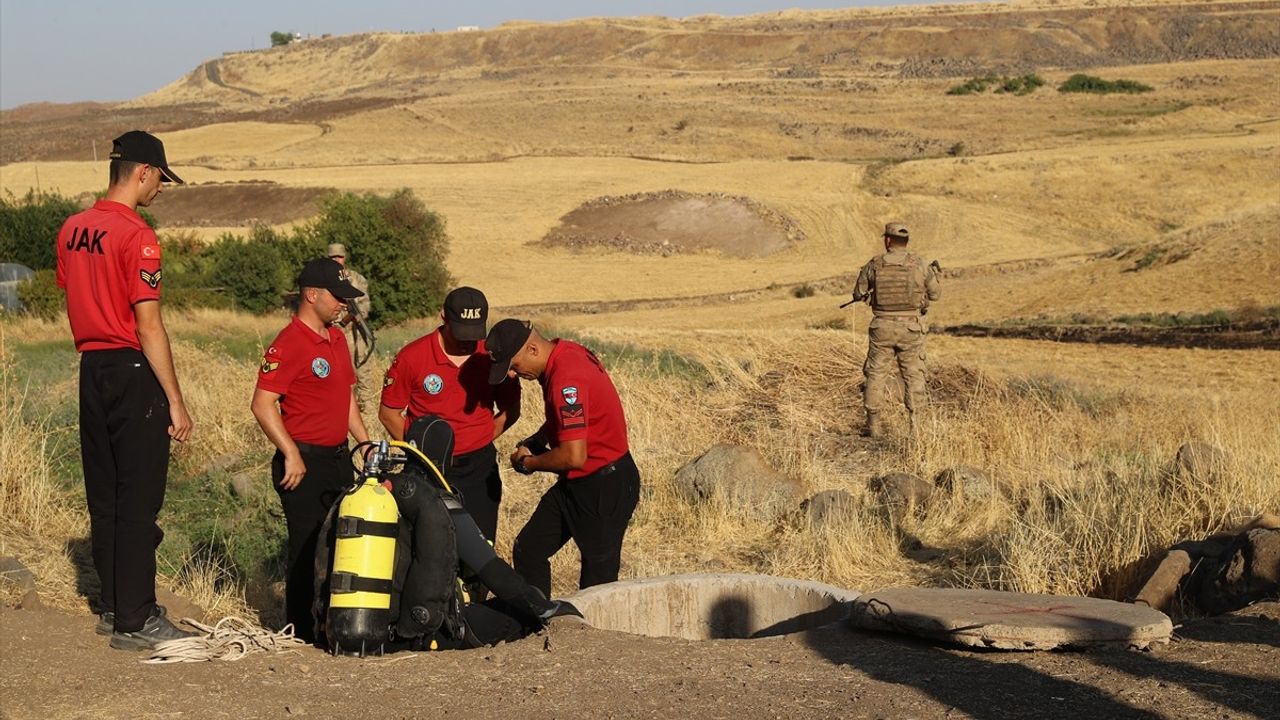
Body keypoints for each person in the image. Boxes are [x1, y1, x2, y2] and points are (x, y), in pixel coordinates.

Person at [55, 130, 197, 650]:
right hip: (133, 370)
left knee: (106, 495)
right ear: (142, 171)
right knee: (139, 499)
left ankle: (116, 605)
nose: (160, 188)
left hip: (91, 369)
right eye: (160, 177)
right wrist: (176, 401)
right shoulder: (138, 235)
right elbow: (149, 325)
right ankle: (137, 621)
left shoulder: (72, 229)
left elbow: (75, 294)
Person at [251, 257, 372, 643]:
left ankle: (331, 625)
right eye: (337, 297)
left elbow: (347, 399)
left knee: (339, 541)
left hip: (338, 459)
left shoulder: (336, 339)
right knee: (307, 547)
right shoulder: (288, 344)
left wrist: (364, 443)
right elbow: (262, 403)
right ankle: (301, 631)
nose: (344, 305)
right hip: (303, 462)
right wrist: (290, 452)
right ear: (312, 294)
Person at [484, 319, 640, 597]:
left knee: (597, 583)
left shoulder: (566, 379)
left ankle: (593, 639)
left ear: (532, 349)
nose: (511, 375)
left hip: (604, 485)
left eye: (513, 365)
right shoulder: (565, 352)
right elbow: (570, 422)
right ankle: (538, 623)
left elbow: (573, 456)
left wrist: (528, 463)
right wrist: (538, 440)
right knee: (528, 549)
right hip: (578, 483)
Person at [378, 287, 520, 543]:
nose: (468, 341)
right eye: (461, 331)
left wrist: (483, 437)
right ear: (443, 317)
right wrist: (423, 454)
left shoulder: (489, 356)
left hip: (479, 470)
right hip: (428, 472)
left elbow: (511, 409)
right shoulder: (412, 357)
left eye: (475, 332)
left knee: (481, 546)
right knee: (430, 546)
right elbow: (389, 413)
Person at [849, 222, 942, 437]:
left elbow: (858, 293)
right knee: (914, 375)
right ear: (906, 242)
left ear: (887, 240)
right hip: (911, 329)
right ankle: (916, 429)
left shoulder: (874, 264)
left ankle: (874, 427)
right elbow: (935, 295)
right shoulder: (919, 264)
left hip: (881, 328)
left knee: (876, 374)